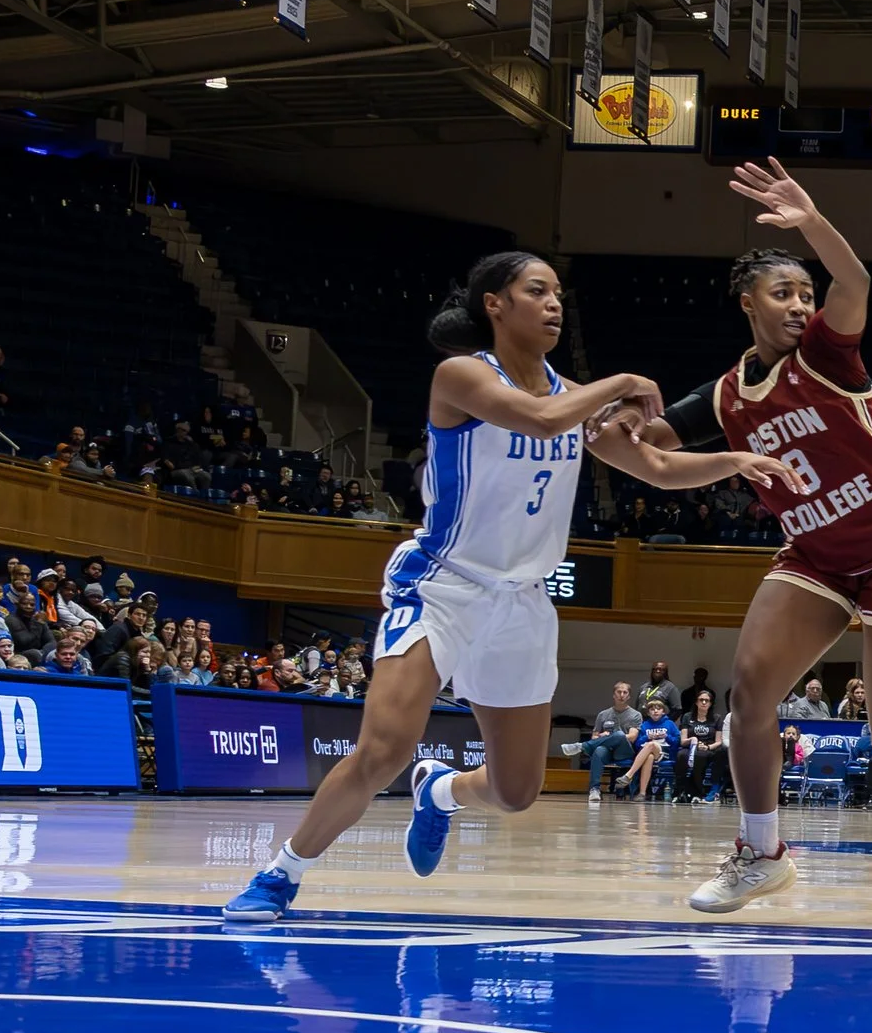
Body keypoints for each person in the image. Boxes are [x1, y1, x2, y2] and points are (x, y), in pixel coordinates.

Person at [223, 250, 782, 923]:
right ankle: (281, 875)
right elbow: (539, 418)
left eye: (558, 295)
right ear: (495, 303)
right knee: (383, 748)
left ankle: (441, 792)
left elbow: (658, 466)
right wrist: (624, 379)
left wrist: (738, 460)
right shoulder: (461, 376)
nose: (554, 304)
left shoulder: (572, 396)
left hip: (522, 601)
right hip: (443, 586)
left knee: (517, 791)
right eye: (536, 291)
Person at [620, 161, 872, 922]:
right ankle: (762, 853)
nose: (799, 303)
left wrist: (811, 220)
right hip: (815, 553)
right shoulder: (722, 395)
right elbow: (650, 453)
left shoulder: (826, 353)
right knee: (748, 696)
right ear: (747, 301)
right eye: (782, 292)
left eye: (804, 293)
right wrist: (603, 428)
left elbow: (856, 284)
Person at [581, 681, 642, 804]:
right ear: (614, 695)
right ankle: (595, 789)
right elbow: (594, 736)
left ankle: (582, 747)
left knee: (619, 735)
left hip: (624, 751)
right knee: (598, 750)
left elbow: (632, 737)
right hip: (607, 751)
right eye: (619, 692)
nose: (622, 695)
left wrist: (611, 737)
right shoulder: (603, 715)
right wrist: (601, 737)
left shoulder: (635, 715)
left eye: (625, 692)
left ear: (629, 696)